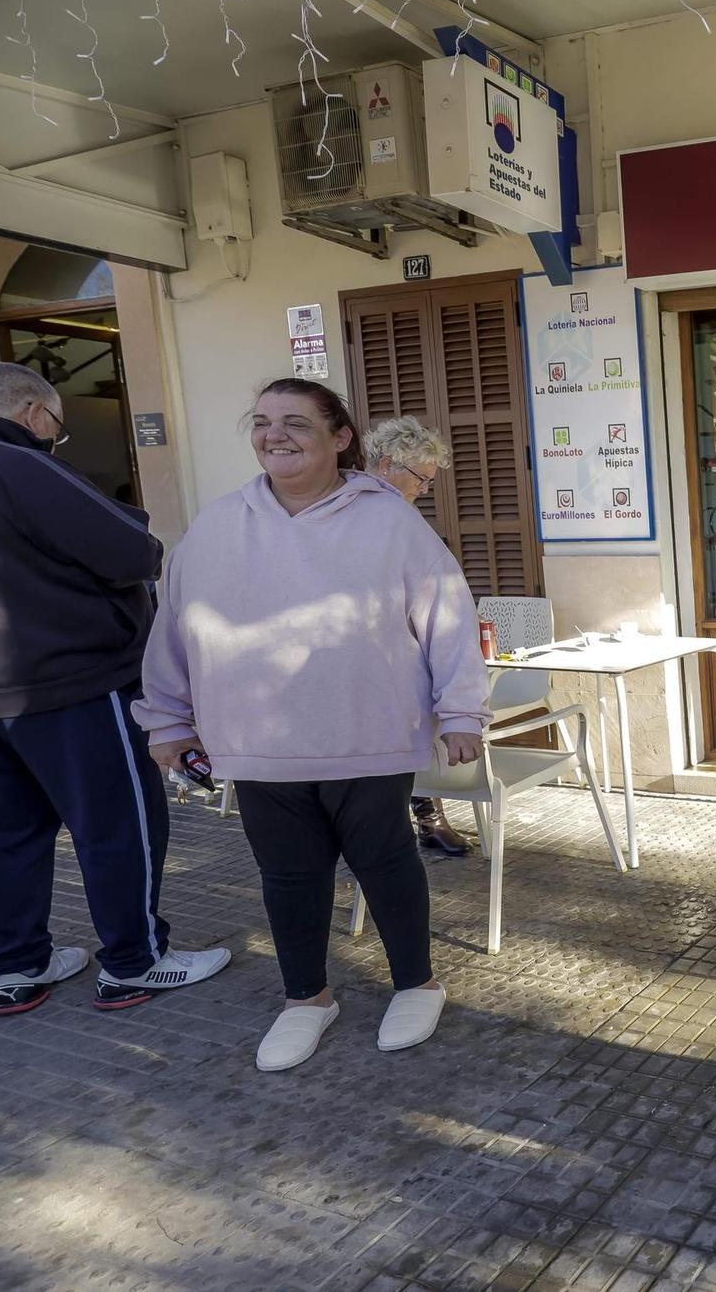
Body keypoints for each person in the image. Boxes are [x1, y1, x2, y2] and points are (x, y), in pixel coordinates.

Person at [135, 379, 489, 1072]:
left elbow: (446, 614)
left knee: (385, 864)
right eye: (263, 421)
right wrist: (167, 720)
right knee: (288, 875)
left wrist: (461, 709)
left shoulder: (389, 521)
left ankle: (417, 982)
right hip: (261, 744)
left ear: (340, 436)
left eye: (297, 422)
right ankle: (307, 997)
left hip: (368, 733)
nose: (276, 435)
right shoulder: (217, 524)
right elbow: (175, 627)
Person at [0, 363, 232, 1015]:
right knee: (118, 823)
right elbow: (134, 548)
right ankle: (135, 960)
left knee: (10, 833)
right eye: (57, 427)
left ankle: (17, 964)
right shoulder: (21, 464)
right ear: (35, 416)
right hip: (71, 680)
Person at [363, 416, 473, 858]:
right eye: (421, 479)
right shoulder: (359, 507)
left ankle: (428, 819)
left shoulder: (398, 516)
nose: (425, 489)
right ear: (387, 464)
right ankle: (415, 826)